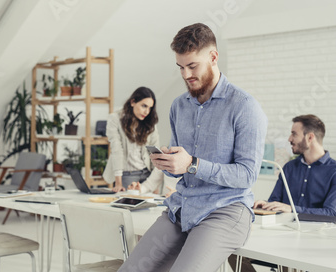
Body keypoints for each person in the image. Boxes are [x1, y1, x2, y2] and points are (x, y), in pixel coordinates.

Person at [118, 23, 267, 272]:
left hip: (225, 210)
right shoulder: (179, 107)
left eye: (192, 66)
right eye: (180, 67)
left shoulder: (244, 107)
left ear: (213, 57)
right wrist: (169, 165)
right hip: (182, 208)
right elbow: (181, 169)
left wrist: (192, 164)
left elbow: (247, 175)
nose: (186, 74)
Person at [229, 114, 336, 272]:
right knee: (231, 249)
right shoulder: (289, 167)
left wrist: (292, 209)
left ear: (310, 137)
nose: (289, 138)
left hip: (313, 242)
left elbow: (331, 213)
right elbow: (275, 201)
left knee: (289, 262)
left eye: (294, 133)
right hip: (281, 234)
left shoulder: (333, 171)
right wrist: (265, 205)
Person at [102, 86, 164, 193]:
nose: (147, 111)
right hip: (126, 175)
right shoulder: (115, 119)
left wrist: (155, 185)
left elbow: (155, 151)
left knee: (150, 207)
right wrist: (118, 183)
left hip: (147, 173)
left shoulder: (150, 123)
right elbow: (117, 150)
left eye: (150, 108)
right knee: (129, 206)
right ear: (132, 102)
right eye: (144, 106)